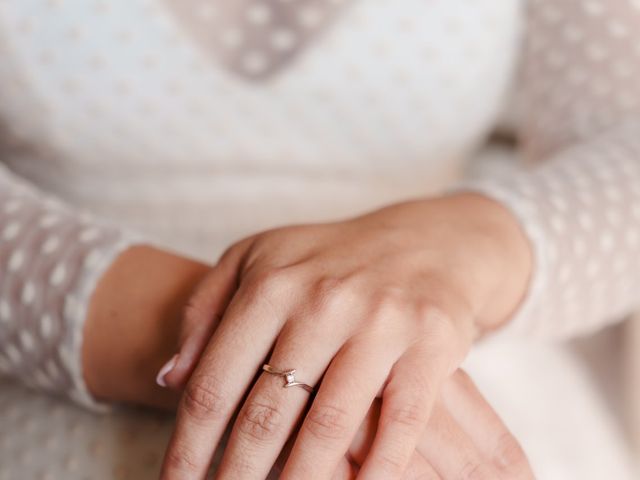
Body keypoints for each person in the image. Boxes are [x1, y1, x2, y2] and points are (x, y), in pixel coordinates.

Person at [0, 0, 639, 478]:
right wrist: (292, 361)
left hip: (445, 351)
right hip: (66, 371)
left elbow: (624, 143)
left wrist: (459, 246)